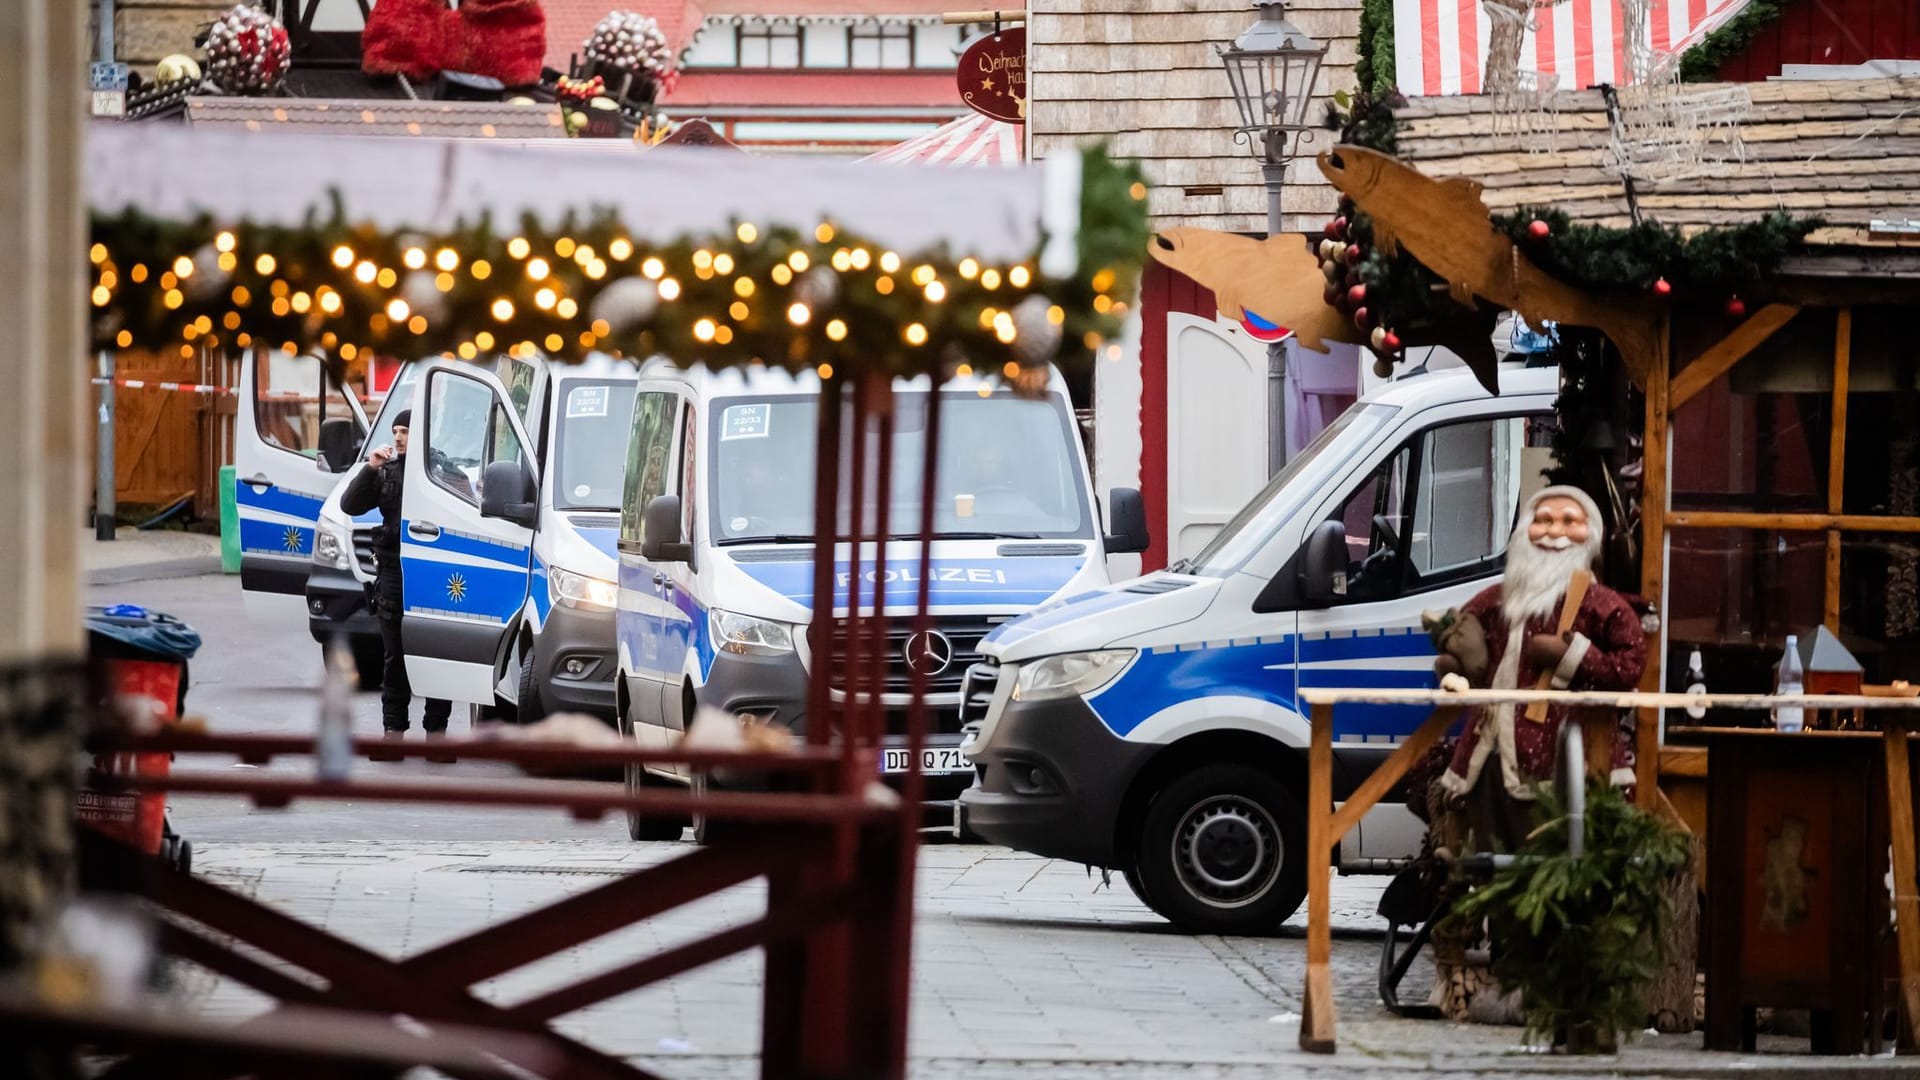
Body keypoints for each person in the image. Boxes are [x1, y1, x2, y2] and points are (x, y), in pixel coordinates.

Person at [1433, 485, 1647, 847]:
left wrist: (1571, 654)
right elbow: (1462, 627)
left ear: (1589, 535)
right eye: (1544, 520)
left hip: (1566, 754)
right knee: (1489, 843)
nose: (1555, 532)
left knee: (1555, 843)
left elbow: (1629, 665)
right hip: (1492, 748)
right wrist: (1459, 657)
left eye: (1569, 521)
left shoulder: (1599, 604)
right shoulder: (1501, 598)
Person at [341, 409, 453, 758]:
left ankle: (436, 734)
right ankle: (394, 732)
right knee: (395, 655)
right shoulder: (386, 471)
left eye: (406, 430)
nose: (400, 437)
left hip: (432, 573)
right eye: (396, 431)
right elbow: (350, 504)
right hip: (392, 571)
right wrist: (370, 467)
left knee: (437, 651)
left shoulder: (444, 473)